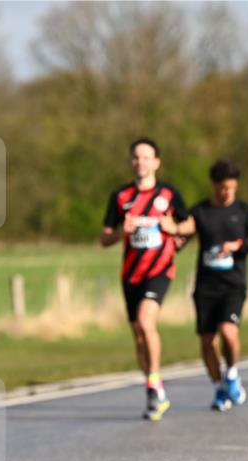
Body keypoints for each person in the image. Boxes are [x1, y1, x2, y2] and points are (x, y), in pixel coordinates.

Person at [101, 137, 193, 421]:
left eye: (146, 157)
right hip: (131, 274)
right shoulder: (120, 196)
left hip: (160, 270)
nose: (140, 162)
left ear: (156, 162)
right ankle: (155, 391)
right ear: (132, 162)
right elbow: (104, 238)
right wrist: (120, 232)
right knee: (138, 336)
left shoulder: (168, 193)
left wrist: (173, 226)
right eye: (136, 157)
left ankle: (154, 381)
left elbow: (190, 224)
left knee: (146, 321)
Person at [189, 160, 248, 411]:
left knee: (228, 331)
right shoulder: (201, 212)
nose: (227, 193)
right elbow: (184, 233)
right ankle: (219, 389)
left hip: (233, 284)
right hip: (205, 285)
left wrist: (238, 246)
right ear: (214, 186)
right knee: (207, 341)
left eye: (232, 189)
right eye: (223, 188)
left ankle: (233, 373)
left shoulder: (245, 211)